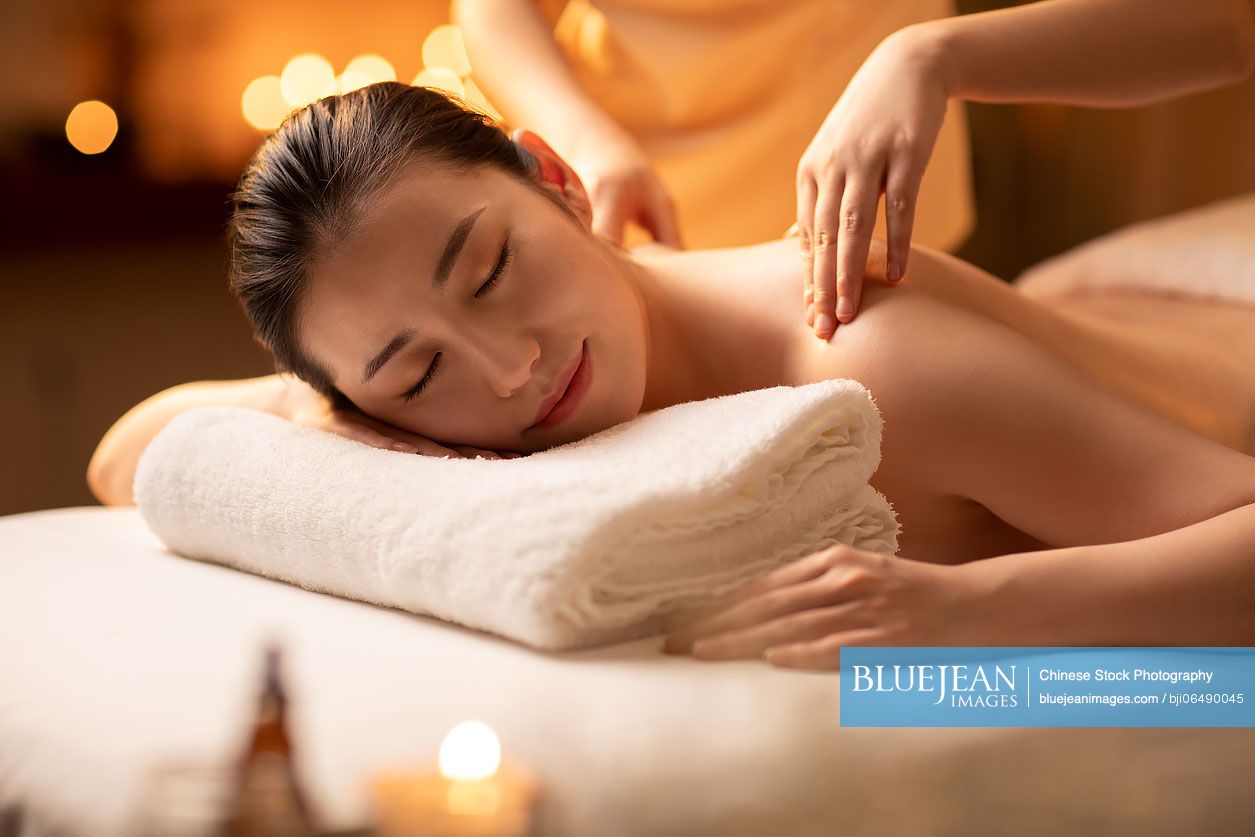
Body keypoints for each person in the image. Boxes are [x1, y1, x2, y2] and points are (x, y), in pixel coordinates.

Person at [88, 82, 1255, 671]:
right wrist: (332, 408)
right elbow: (131, 453)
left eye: (492, 269)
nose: (510, 369)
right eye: (417, 366)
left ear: (553, 178)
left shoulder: (862, 365)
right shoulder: (392, 397)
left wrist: (963, 615)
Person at [455, 0, 1255, 342]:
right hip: (628, 206)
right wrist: (586, 140)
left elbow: (1216, 24)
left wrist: (935, 56)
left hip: (867, 224)